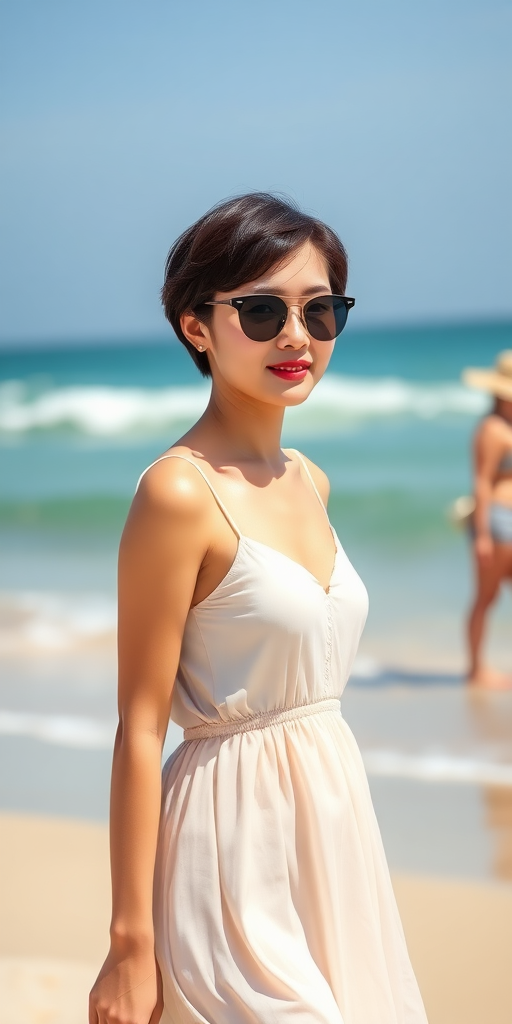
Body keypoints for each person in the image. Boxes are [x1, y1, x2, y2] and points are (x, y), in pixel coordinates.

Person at [89, 193, 428, 1023]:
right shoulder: (178, 491)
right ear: (195, 325)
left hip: (334, 832)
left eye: (321, 311)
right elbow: (139, 727)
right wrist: (129, 943)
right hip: (225, 844)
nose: (297, 336)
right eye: (263, 309)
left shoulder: (311, 480)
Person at [462, 351, 512, 688]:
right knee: (486, 595)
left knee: (491, 595)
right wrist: (481, 535)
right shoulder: (492, 429)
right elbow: (481, 482)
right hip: (497, 521)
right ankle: (477, 670)